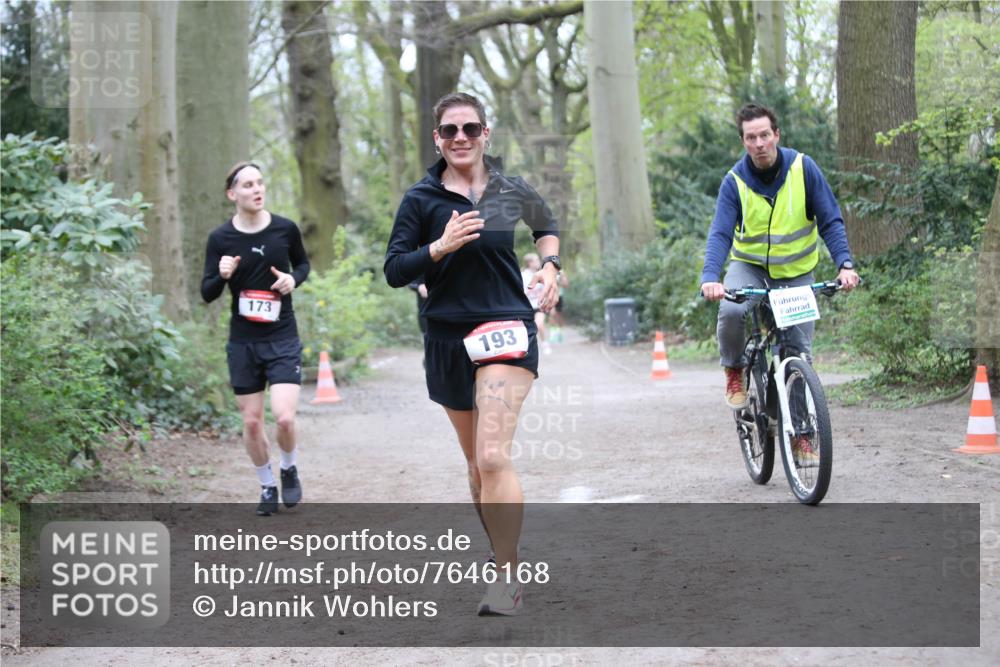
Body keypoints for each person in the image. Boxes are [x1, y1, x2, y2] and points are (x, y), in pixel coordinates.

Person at [384, 92, 561, 616]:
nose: (460, 138)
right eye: (449, 131)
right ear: (437, 139)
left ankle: (507, 578)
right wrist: (438, 247)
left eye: (470, 128)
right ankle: (500, 550)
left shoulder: (509, 190)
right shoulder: (421, 200)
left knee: (491, 454)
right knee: (474, 465)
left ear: (486, 134)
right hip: (446, 337)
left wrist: (550, 269)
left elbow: (547, 228)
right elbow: (396, 269)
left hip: (507, 326)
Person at [699, 103, 860, 461]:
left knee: (797, 353)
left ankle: (802, 436)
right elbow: (720, 233)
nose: (759, 143)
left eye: (764, 135)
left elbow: (831, 220)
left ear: (776, 135)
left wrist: (844, 264)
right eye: (751, 137)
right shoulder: (735, 182)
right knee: (730, 310)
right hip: (750, 267)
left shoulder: (804, 169)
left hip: (797, 273)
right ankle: (734, 370)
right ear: (743, 141)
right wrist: (711, 276)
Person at [201, 162, 310, 516]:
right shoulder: (221, 239)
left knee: (284, 419)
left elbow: (303, 265)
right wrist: (221, 275)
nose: (257, 189)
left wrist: (294, 280)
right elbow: (207, 292)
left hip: (282, 337)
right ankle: (266, 486)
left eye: (260, 183)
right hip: (244, 342)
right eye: (248, 185)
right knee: (251, 422)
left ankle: (289, 466)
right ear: (232, 194)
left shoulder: (284, 229)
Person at [521, 253, 551, 354]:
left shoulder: (542, 274)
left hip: (539, 306)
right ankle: (529, 348)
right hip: (527, 307)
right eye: (536, 260)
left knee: (539, 324)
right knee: (526, 329)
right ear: (530, 263)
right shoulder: (523, 275)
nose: (539, 262)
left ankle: (545, 343)